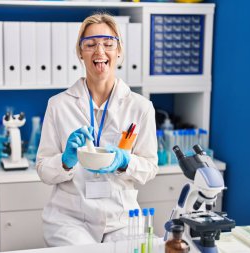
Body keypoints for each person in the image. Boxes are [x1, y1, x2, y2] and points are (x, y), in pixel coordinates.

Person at [36, 13, 158, 247]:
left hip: (121, 219)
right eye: (90, 45)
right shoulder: (59, 105)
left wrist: (125, 161)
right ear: (80, 53)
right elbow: (43, 170)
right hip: (70, 219)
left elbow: (150, 168)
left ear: (119, 52)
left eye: (108, 44)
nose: (99, 52)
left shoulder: (141, 108)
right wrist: (64, 161)